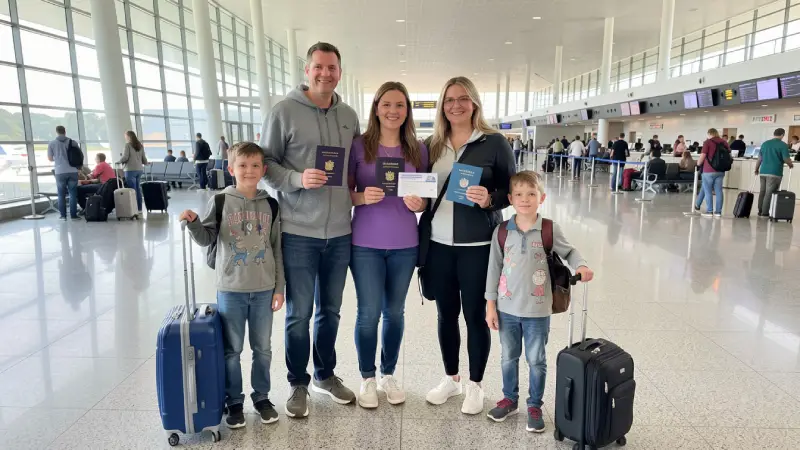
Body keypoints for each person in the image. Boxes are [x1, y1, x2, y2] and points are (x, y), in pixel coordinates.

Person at [261, 42, 360, 418]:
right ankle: (297, 382)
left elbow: (355, 167)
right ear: (307, 70)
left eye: (332, 68)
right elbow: (265, 164)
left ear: (340, 72)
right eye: (318, 66)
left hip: (340, 232)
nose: (325, 73)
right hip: (299, 231)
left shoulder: (348, 116)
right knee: (299, 313)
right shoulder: (283, 112)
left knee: (330, 311)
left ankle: (325, 374)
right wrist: (297, 178)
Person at [420, 76, 516, 415]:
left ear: (474, 102)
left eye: (463, 98)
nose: (456, 105)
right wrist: (415, 201)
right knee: (446, 314)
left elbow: (511, 190)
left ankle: (476, 384)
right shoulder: (432, 144)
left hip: (478, 245)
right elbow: (425, 189)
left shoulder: (494, 143)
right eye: (449, 100)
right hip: (438, 245)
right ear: (442, 106)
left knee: (475, 316)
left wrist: (490, 199)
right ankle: (452, 378)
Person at [179, 142, 285, 429]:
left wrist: (279, 287)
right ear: (231, 168)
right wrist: (193, 223)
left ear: (263, 170)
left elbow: (276, 248)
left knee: (263, 349)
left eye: (255, 165)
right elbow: (206, 238)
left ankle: (262, 397)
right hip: (231, 289)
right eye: (242, 165)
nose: (249, 171)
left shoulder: (271, 204)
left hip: (263, 289)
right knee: (232, 350)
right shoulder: (221, 201)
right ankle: (234, 401)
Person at [484, 170, 593, 433]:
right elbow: (493, 269)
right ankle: (510, 399)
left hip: (538, 310)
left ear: (541, 198)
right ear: (510, 199)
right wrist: (490, 306)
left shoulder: (548, 229)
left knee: (536, 360)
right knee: (508, 357)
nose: (525, 199)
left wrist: (581, 265)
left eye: (531, 194)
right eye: (519, 194)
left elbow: (570, 251)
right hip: (507, 309)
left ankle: (534, 404)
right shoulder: (502, 231)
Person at [348, 81, 428, 409]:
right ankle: (367, 377)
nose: (393, 111)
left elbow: (426, 197)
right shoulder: (358, 146)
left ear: (407, 110)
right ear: (376, 108)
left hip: (404, 243)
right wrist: (361, 197)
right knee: (368, 313)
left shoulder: (418, 149)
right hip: (365, 242)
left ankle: (388, 373)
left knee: (394, 312)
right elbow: (344, 193)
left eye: (400, 105)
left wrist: (419, 204)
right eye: (387, 104)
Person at [755, 128, 794, 217]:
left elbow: (759, 158)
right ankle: (765, 212)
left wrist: (756, 169)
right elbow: (786, 158)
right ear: (782, 135)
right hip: (774, 172)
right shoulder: (783, 145)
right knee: (769, 193)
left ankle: (760, 210)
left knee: (762, 191)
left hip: (763, 171)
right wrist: (790, 164)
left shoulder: (765, 144)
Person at [47, 126, 80, 220]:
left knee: (61, 194)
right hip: (72, 170)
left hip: (60, 171)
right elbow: (79, 155)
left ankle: (63, 216)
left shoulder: (52, 143)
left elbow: (50, 158)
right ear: (65, 131)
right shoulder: (73, 142)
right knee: (72, 194)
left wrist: (58, 158)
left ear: (56, 132)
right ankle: (73, 215)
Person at [695, 128, 729, 217]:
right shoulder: (724, 142)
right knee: (719, 191)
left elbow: (703, 155)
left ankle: (709, 211)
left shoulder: (707, 142)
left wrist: (698, 164)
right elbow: (729, 155)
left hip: (708, 170)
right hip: (720, 170)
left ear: (709, 133)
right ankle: (718, 212)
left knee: (708, 191)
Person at [119, 130, 148, 214]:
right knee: (137, 189)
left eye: (125, 136)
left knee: (132, 190)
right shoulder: (140, 145)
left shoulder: (127, 145)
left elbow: (125, 157)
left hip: (130, 169)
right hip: (139, 169)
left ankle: (134, 209)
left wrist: (118, 161)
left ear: (128, 136)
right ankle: (139, 209)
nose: (125, 138)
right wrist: (146, 163)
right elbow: (144, 158)